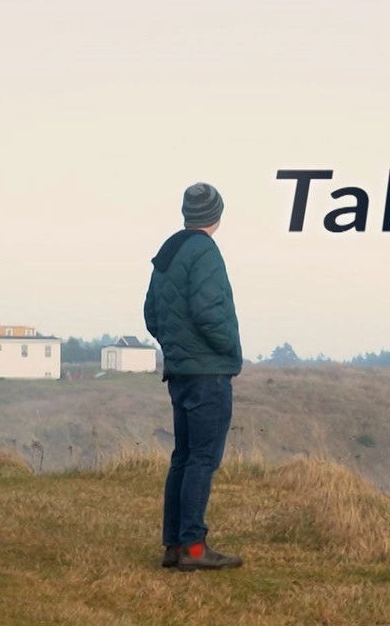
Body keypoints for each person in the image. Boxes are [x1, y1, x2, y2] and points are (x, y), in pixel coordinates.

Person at [144, 182, 244, 572]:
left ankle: (174, 546)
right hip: (207, 373)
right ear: (217, 214)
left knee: (183, 458)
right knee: (202, 459)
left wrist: (177, 347)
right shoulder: (205, 252)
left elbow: (152, 315)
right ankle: (194, 549)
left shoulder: (168, 252)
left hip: (181, 371)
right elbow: (209, 311)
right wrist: (229, 349)